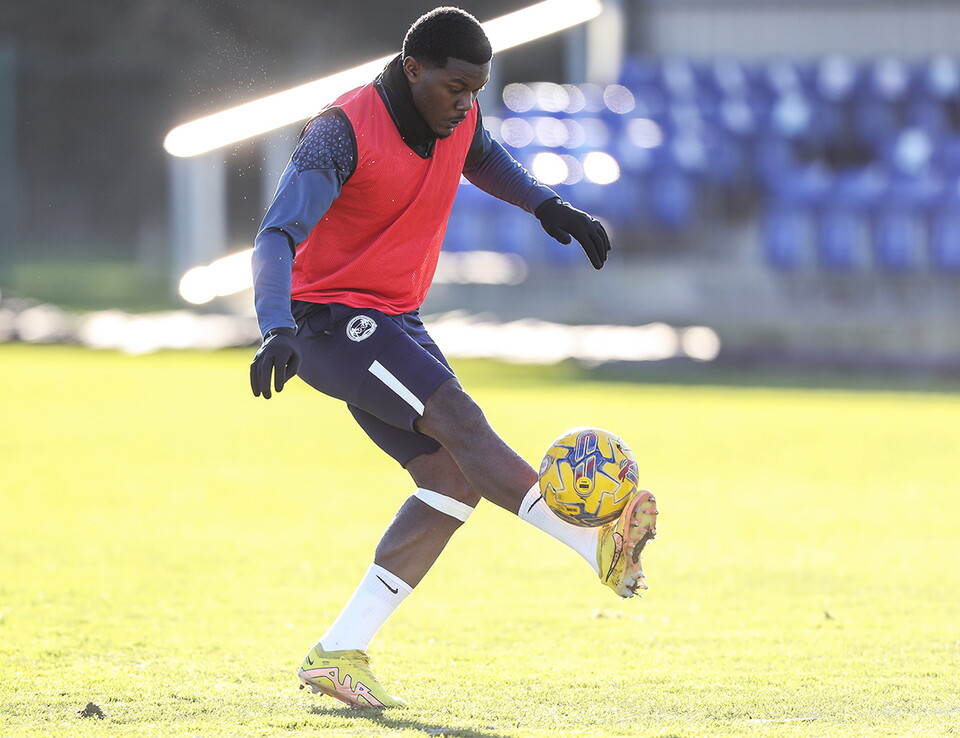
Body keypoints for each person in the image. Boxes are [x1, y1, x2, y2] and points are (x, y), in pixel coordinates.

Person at [250, 6, 658, 709]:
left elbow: (484, 155)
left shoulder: (457, 116)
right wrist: (274, 326)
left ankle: (338, 652)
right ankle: (595, 545)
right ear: (414, 70)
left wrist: (547, 206)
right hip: (327, 323)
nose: (466, 103)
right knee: (462, 422)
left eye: (477, 89)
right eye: (455, 87)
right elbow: (275, 236)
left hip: (392, 320)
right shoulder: (340, 133)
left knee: (452, 475)